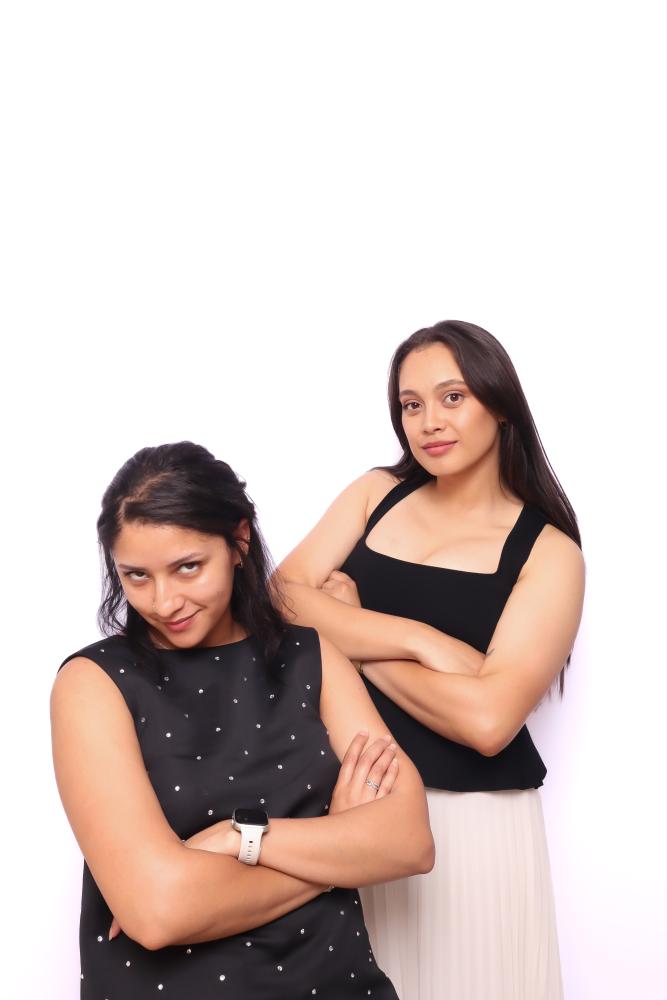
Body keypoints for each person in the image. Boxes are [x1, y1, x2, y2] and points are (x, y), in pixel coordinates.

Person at [51, 441, 434, 1000]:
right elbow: (157, 913)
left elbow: (409, 841)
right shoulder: (92, 683)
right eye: (136, 576)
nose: (164, 601)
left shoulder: (312, 657)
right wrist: (339, 847)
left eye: (187, 567)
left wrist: (237, 838)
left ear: (239, 540)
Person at [278, 320, 585, 1000]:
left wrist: (355, 640)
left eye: (452, 397)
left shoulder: (549, 553)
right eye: (410, 404)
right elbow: (282, 599)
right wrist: (421, 640)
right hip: (353, 806)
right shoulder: (374, 493)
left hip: (470, 825)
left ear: (499, 403)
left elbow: (487, 722)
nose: (428, 422)